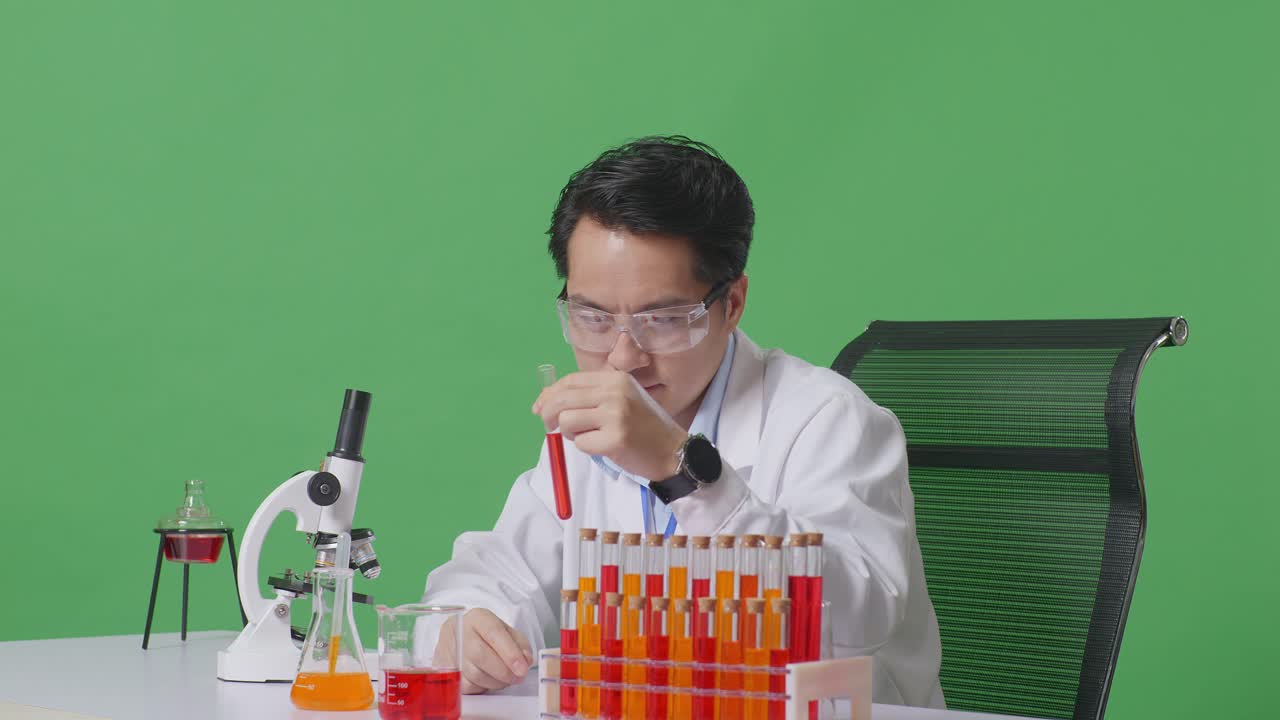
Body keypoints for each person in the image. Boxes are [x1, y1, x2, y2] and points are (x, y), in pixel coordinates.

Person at [420, 135, 945, 707]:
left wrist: (681, 469)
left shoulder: (829, 420)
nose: (623, 358)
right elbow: (490, 573)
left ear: (732, 303)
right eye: (591, 316)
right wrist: (467, 626)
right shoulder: (587, 438)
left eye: (664, 319)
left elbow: (854, 618)